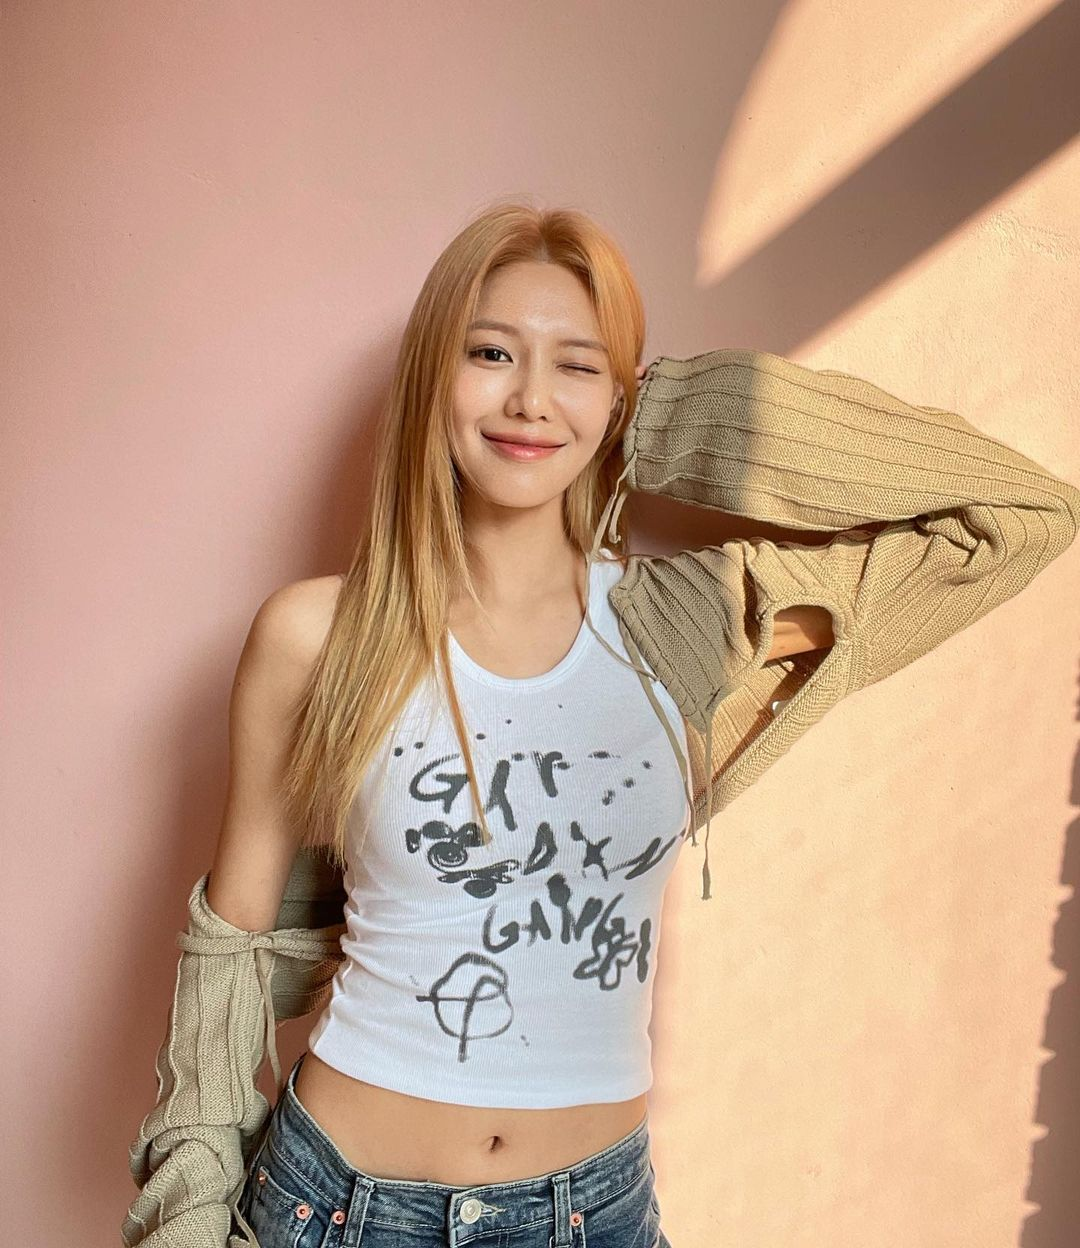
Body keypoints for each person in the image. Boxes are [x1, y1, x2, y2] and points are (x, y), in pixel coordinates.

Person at [123, 201, 1080, 1248]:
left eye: (576, 365)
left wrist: (666, 418)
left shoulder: (689, 629)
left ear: (620, 397)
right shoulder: (317, 635)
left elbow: (1020, 519)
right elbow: (230, 944)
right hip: (341, 1205)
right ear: (434, 376)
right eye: (490, 352)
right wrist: (189, 1213)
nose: (530, 399)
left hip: (594, 1214)